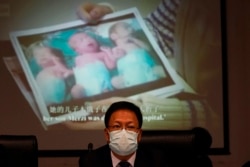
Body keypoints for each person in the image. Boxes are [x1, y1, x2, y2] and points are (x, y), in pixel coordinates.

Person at [79, 101, 166, 167]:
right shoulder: (90, 161)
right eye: (117, 126)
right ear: (107, 134)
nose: (123, 132)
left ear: (139, 135)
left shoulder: (156, 160)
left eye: (130, 127)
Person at [108, 21, 163, 88]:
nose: (131, 28)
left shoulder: (135, 42)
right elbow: (113, 61)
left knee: (161, 70)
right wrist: (115, 55)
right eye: (126, 27)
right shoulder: (116, 49)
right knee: (114, 81)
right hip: (128, 74)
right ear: (114, 36)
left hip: (148, 69)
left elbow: (148, 48)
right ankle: (130, 88)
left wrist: (134, 40)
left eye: (131, 27)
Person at [68, 32, 121, 98]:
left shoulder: (101, 54)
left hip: (101, 85)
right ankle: (82, 104)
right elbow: (78, 71)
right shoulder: (77, 59)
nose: (88, 40)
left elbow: (111, 66)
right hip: (83, 86)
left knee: (106, 93)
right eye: (82, 40)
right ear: (78, 50)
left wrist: (109, 52)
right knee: (75, 91)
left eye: (89, 37)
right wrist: (69, 72)